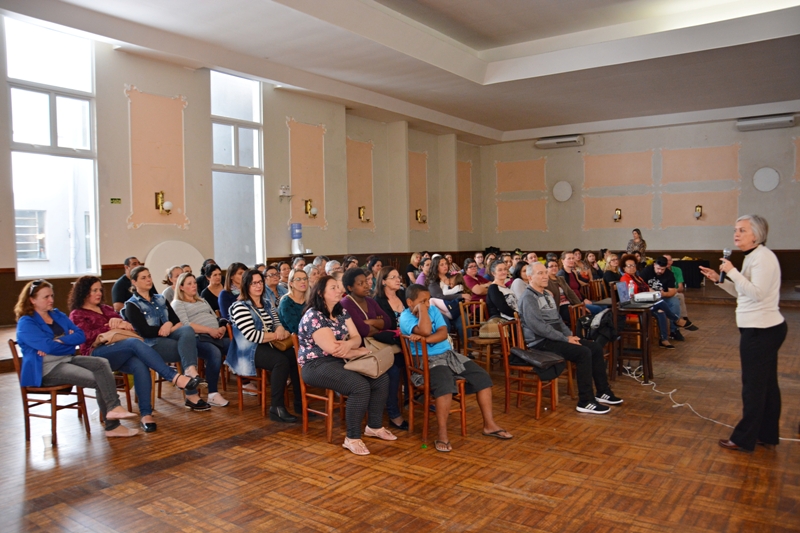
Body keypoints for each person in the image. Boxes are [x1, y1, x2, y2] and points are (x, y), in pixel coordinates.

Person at [69, 276, 202, 431]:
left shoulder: (106, 309)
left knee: (139, 365)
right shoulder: (77, 314)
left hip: (118, 350)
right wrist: (108, 327)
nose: (98, 293)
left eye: (100, 289)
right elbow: (84, 337)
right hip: (95, 354)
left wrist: (122, 323)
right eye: (94, 290)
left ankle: (146, 414)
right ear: (83, 292)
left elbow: (129, 328)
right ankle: (173, 376)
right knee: (134, 343)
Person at [700, 215, 787, 452]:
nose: (736, 234)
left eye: (742, 230)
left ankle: (744, 438)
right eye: (735, 230)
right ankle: (767, 434)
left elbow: (757, 294)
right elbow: (743, 293)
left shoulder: (762, 259)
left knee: (754, 387)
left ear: (756, 235)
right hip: (762, 328)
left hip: (761, 330)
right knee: (766, 385)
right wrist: (720, 280)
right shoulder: (755, 257)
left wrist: (732, 271)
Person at [16, 279, 140, 437]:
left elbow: (80, 336)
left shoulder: (57, 315)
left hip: (66, 359)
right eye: (46, 297)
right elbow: (48, 346)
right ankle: (113, 426)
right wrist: (65, 341)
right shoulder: (26, 323)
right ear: (32, 300)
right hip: (45, 369)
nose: (51, 300)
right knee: (96, 378)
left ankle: (113, 410)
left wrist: (60, 342)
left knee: (102, 364)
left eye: (52, 295)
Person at [400, 284, 512, 452]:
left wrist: (425, 339)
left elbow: (443, 333)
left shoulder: (433, 310)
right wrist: (422, 312)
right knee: (445, 386)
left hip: (448, 354)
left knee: (482, 377)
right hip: (425, 360)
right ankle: (442, 434)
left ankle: (489, 425)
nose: (427, 304)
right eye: (422, 301)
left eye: (428, 300)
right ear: (410, 302)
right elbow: (424, 329)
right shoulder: (405, 317)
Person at [297, 276, 395, 455]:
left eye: (338, 287)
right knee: (359, 386)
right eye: (333, 288)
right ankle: (352, 438)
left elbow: (357, 338)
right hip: (315, 364)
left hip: (341, 359)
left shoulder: (341, 310)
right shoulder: (314, 315)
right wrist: (358, 351)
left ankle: (373, 426)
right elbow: (333, 349)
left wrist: (350, 345)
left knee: (381, 378)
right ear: (321, 293)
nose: (338, 290)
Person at [518, 263, 622, 414]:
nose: (545, 276)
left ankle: (603, 392)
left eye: (545, 273)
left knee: (595, 347)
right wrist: (565, 339)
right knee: (583, 352)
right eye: (540, 273)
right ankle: (585, 401)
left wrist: (569, 336)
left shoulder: (547, 294)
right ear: (529, 277)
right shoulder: (528, 298)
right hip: (540, 342)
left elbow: (558, 320)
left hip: (555, 338)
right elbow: (539, 327)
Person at [124, 266, 210, 411]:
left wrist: (168, 325)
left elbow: (178, 322)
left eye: (149, 276)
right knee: (187, 349)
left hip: (170, 335)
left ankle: (189, 371)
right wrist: (162, 329)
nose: (148, 280)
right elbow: (145, 331)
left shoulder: (160, 299)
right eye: (143, 278)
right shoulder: (131, 305)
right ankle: (191, 395)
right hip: (150, 345)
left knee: (187, 330)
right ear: (134, 282)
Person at [228, 269, 301, 422]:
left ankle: (299, 403)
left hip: (267, 343)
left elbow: (277, 322)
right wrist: (276, 335)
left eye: (260, 282)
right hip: (247, 350)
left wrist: (280, 329)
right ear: (246, 286)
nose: (258, 286)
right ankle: (276, 407)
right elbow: (251, 335)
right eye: (253, 283)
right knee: (280, 362)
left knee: (294, 357)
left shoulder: (266, 303)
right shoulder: (240, 306)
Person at [340, 267, 407, 431]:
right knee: (392, 371)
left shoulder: (370, 301)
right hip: (359, 352)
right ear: (350, 287)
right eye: (360, 283)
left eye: (367, 282)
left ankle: (406, 400)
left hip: (377, 346)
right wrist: (373, 323)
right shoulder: (346, 303)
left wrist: (370, 323)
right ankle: (393, 413)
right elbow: (362, 331)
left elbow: (387, 322)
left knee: (404, 361)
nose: (366, 285)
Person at [171, 272, 228, 407]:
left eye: (195, 283)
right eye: (189, 284)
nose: (194, 286)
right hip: (197, 338)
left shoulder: (202, 300)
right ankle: (213, 393)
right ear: (181, 287)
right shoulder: (178, 303)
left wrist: (221, 328)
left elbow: (214, 317)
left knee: (233, 345)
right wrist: (209, 330)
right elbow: (185, 325)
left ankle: (243, 379)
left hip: (215, 335)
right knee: (214, 353)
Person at [620, 254, 688, 349]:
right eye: (629, 266)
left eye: (634, 265)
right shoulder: (625, 279)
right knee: (660, 303)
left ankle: (664, 339)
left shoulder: (638, 277)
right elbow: (628, 297)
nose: (632, 268)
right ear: (624, 268)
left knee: (661, 311)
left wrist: (657, 295)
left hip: (645, 303)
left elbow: (648, 288)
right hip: (635, 306)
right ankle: (676, 320)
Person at [374, 266, 410, 431]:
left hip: (408, 343)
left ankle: (416, 398)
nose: (398, 280)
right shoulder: (376, 302)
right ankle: (393, 413)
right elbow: (375, 331)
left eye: (398, 276)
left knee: (422, 362)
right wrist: (396, 336)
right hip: (388, 347)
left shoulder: (404, 296)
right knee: (394, 371)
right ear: (383, 282)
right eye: (393, 277)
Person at [663, 254, 698, 330]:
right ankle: (683, 319)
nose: (667, 262)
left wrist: (672, 291)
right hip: (662, 294)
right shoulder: (659, 271)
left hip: (673, 292)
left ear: (672, 262)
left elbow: (680, 287)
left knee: (679, 296)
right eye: (665, 260)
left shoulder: (677, 270)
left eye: (669, 260)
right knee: (679, 298)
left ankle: (682, 320)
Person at [545, 259, 584, 324]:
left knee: (584, 313)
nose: (554, 268)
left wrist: (580, 305)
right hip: (559, 307)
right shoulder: (546, 281)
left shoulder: (561, 279)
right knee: (577, 318)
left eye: (556, 266)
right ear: (546, 269)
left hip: (569, 304)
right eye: (551, 266)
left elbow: (570, 293)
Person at [278, 268, 309, 335]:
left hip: (310, 335)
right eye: (298, 279)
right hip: (295, 340)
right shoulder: (286, 302)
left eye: (305, 279)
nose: (303, 281)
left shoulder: (309, 300)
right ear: (291, 283)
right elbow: (295, 329)